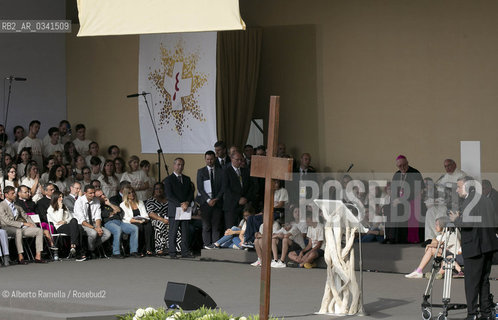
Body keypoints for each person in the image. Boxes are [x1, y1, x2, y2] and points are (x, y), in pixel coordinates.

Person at [449, 176, 498, 320]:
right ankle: (486, 313)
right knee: (484, 281)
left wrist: (456, 219)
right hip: (488, 246)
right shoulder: (485, 199)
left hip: (475, 247)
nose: (457, 190)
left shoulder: (469, 200)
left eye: (459, 187)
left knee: (471, 283)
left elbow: (468, 224)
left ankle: (472, 314)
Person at [384, 155, 424, 244]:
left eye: (404, 165)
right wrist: (394, 200)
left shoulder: (415, 173)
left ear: (407, 163)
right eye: (400, 166)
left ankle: (409, 238)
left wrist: (403, 199)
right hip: (400, 200)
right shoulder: (397, 174)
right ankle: (392, 237)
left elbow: (418, 191)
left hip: (412, 200)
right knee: (390, 208)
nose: (402, 167)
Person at [0, 186, 45, 264]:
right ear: (6, 195)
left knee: (39, 230)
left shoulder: (17, 206)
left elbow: (26, 216)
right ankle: (20, 256)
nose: (15, 195)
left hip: (19, 228)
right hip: (6, 228)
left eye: (15, 193)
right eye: (12, 193)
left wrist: (33, 225)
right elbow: (6, 221)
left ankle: (38, 256)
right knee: (18, 231)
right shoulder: (1, 205)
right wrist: (23, 223)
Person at [97, 188, 140, 259]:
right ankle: (116, 252)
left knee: (134, 228)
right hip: (108, 223)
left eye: (103, 194)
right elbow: (106, 214)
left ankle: (133, 251)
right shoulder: (98, 206)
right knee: (118, 229)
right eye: (100, 196)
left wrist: (110, 204)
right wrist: (113, 212)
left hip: (119, 222)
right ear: (96, 198)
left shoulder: (110, 202)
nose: (103, 196)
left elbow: (119, 210)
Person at [164, 158, 194, 258]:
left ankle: (185, 252)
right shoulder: (168, 179)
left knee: (185, 232)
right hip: (175, 209)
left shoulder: (187, 179)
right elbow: (169, 195)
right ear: (174, 165)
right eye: (178, 165)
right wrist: (181, 204)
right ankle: (172, 253)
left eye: (182, 165)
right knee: (173, 231)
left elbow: (190, 193)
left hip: (185, 209)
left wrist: (187, 202)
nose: (180, 167)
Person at [73, 185, 111, 259]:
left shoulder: (96, 201)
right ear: (85, 193)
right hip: (82, 224)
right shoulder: (79, 202)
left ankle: (89, 248)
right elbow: (82, 220)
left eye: (93, 193)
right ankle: (91, 251)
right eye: (90, 193)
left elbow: (98, 217)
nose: (93, 195)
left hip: (93, 223)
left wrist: (98, 227)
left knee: (107, 234)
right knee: (93, 233)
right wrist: (95, 228)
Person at [46, 190, 86, 260]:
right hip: (59, 227)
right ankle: (78, 251)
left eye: (62, 197)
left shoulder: (65, 207)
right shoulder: (50, 209)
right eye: (60, 197)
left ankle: (73, 246)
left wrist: (65, 221)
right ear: (55, 198)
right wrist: (60, 208)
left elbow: (70, 218)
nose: (61, 198)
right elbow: (58, 220)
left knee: (76, 223)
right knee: (78, 228)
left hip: (68, 225)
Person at [197, 150, 224, 249]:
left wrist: (216, 199)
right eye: (207, 159)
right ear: (205, 160)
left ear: (215, 159)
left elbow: (223, 188)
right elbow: (200, 188)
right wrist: (208, 200)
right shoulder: (201, 171)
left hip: (217, 202)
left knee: (216, 225)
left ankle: (215, 244)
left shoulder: (221, 171)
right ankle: (207, 244)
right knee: (206, 226)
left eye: (211, 159)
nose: (210, 161)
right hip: (205, 203)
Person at [222, 151, 256, 229]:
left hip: (244, 205)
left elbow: (250, 186)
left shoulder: (245, 171)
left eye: (241, 159)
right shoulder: (225, 171)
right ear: (231, 159)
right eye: (237, 160)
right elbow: (225, 188)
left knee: (244, 228)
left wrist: (246, 198)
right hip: (231, 205)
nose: (240, 162)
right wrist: (238, 199)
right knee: (231, 229)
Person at [146, 182, 181, 256]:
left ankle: (176, 248)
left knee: (175, 226)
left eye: (161, 188)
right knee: (161, 224)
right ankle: (160, 249)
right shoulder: (150, 201)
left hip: (169, 218)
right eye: (156, 189)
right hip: (156, 219)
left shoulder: (169, 200)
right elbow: (150, 213)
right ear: (154, 190)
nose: (159, 191)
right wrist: (162, 219)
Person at [119, 186, 153, 256]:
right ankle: (139, 249)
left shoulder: (140, 202)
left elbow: (145, 214)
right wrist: (138, 221)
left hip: (141, 220)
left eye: (133, 192)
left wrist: (145, 219)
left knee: (148, 225)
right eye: (129, 193)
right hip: (130, 222)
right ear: (126, 195)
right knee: (139, 226)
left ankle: (148, 249)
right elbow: (126, 218)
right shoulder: (123, 204)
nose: (132, 194)